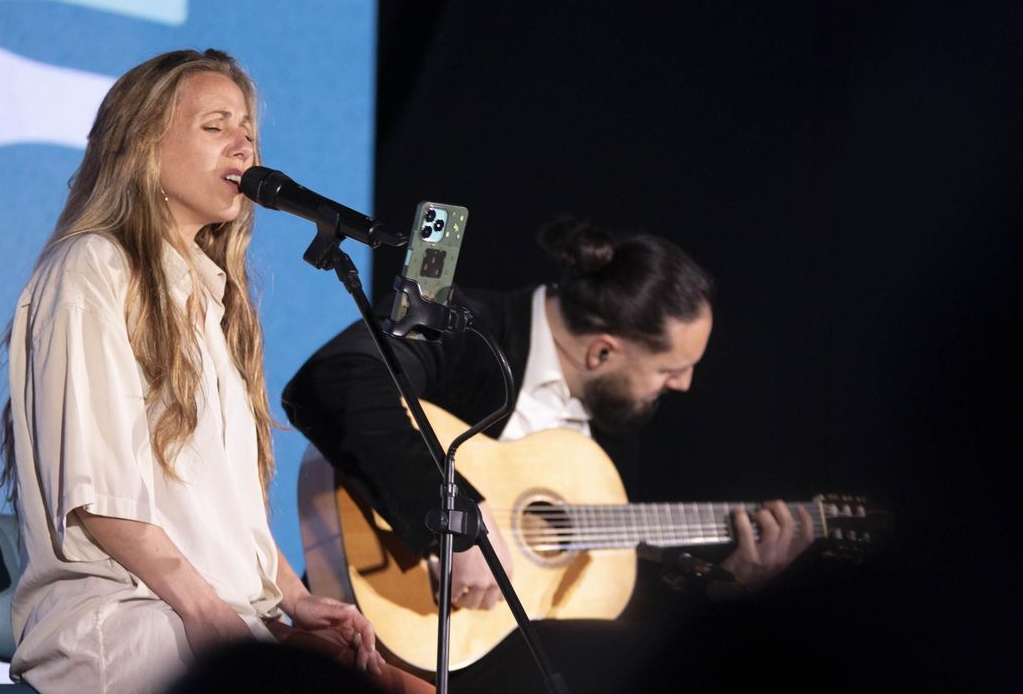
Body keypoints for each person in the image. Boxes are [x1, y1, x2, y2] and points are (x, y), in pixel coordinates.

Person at [0, 49, 428, 694]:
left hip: (209, 616)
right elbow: (101, 495)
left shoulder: (212, 296)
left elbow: (218, 507)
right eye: (215, 126)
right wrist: (208, 612)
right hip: (132, 619)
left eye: (249, 131)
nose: (243, 146)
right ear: (142, 143)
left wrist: (291, 597)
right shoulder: (93, 266)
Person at [282, 217, 815, 691]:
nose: (682, 385)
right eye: (668, 368)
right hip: (379, 642)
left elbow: (611, 612)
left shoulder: (614, 424)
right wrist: (458, 520)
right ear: (602, 350)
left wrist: (730, 592)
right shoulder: (466, 324)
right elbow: (336, 378)